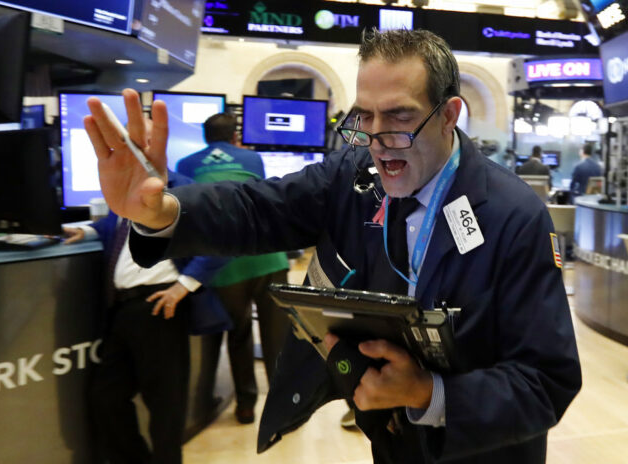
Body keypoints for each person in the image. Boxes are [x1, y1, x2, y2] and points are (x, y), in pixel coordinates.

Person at [83, 28, 581, 464]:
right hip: (387, 436)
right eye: (365, 117)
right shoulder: (354, 172)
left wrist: (430, 394)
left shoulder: (514, 217)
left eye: (401, 117)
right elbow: (260, 208)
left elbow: (546, 381)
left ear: (450, 114)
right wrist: (163, 212)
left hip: (475, 450)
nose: (379, 140)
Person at [62, 169, 229, 464]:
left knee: (165, 406)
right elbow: (116, 227)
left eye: (149, 141)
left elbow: (223, 239)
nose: (140, 148)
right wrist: (88, 230)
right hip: (122, 307)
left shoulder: (183, 190)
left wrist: (184, 284)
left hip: (160, 304)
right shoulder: (128, 190)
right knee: (106, 397)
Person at [177, 112, 291, 424]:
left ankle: (245, 406)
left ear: (204, 137)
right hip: (268, 256)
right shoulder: (252, 159)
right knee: (276, 335)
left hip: (222, 264)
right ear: (235, 137)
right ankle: (283, 408)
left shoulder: (185, 165)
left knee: (238, 335)